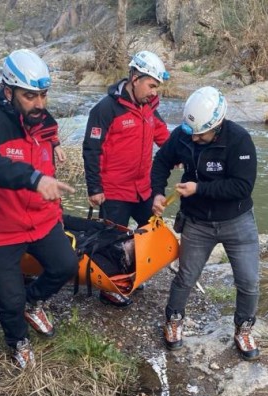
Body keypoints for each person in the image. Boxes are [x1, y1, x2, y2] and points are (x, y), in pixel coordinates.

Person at [0, 48, 77, 368]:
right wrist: (33, 177)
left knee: (66, 265)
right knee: (9, 299)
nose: (39, 103)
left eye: (43, 95)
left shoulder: (39, 114)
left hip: (37, 220)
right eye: (30, 96)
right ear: (8, 91)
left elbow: (49, 126)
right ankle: (18, 340)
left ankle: (34, 301)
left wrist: (55, 144)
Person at [151, 86, 261, 361]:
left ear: (218, 124)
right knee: (186, 276)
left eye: (202, 133)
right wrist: (157, 191)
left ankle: (244, 328)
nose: (196, 137)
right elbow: (161, 161)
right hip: (198, 222)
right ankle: (174, 319)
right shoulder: (185, 135)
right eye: (192, 132)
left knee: (248, 281)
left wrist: (199, 189)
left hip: (237, 220)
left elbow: (242, 187)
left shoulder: (239, 140)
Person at [82, 50, 171, 307]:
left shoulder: (151, 109)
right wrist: (94, 187)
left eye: (157, 87)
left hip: (143, 189)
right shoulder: (105, 109)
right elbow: (91, 148)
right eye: (151, 85)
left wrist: (181, 154)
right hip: (114, 191)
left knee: (151, 233)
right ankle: (109, 287)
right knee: (111, 240)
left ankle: (134, 273)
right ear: (134, 78)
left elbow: (165, 138)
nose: (154, 92)